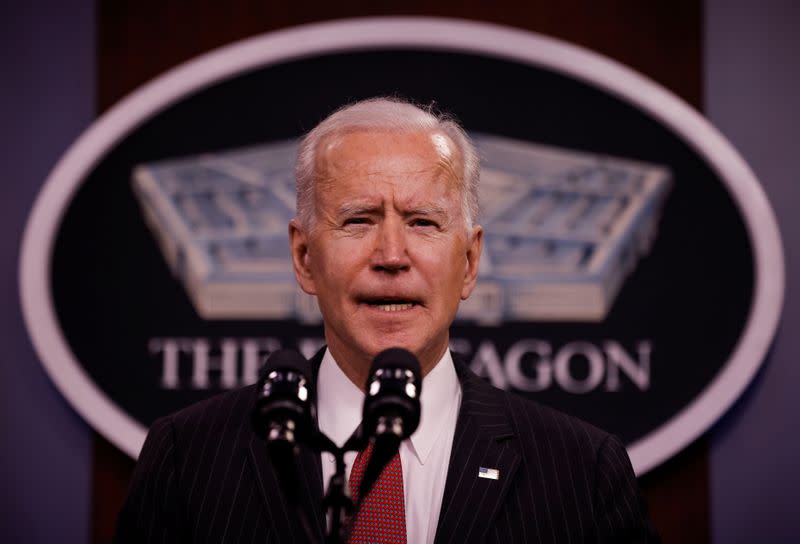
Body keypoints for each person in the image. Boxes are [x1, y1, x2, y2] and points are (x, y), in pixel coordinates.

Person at [115, 97, 660, 543]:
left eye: (423, 222)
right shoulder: (189, 459)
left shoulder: (581, 471)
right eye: (358, 220)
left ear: (469, 262)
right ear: (305, 257)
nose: (392, 255)